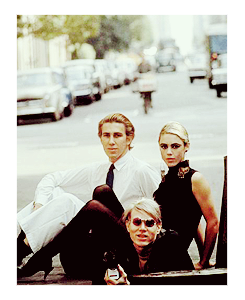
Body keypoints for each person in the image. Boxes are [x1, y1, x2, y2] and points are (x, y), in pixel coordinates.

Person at [17, 113, 161, 271]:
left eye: (117, 135)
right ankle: (17, 246)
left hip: (128, 246)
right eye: (106, 135)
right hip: (94, 247)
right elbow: (52, 179)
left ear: (129, 139)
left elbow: (160, 211)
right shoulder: (97, 169)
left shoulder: (141, 170)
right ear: (101, 139)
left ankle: (31, 255)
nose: (111, 142)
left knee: (99, 194)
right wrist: (40, 207)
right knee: (57, 195)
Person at [153, 121, 219, 270]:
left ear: (186, 146)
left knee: (98, 202)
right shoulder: (168, 177)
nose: (169, 152)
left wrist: (204, 261)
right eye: (164, 146)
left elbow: (213, 222)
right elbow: (192, 218)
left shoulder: (195, 179)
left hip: (171, 253)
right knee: (103, 193)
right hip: (153, 245)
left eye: (175, 146)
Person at [104, 198, 194, 285]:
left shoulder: (172, 244)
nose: (142, 228)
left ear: (158, 227)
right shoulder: (121, 248)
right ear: (128, 225)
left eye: (149, 223)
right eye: (137, 222)